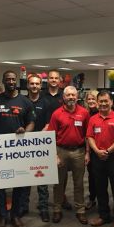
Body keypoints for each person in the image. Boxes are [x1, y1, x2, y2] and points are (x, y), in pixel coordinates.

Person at [0, 70, 35, 227]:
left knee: (19, 184)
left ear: (16, 82)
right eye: (8, 79)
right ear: (4, 81)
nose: (11, 81)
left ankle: (15, 215)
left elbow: (31, 122)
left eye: (13, 79)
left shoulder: (25, 101)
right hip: (0, 151)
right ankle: (2, 216)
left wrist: (25, 131)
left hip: (19, 151)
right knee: (0, 184)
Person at [48, 86, 90, 225]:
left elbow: (88, 135)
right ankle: (57, 209)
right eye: (68, 95)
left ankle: (80, 210)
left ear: (77, 96)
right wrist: (54, 155)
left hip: (79, 151)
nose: (71, 97)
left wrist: (87, 152)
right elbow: (51, 136)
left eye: (73, 95)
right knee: (59, 183)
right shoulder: (56, 114)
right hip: (61, 151)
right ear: (64, 97)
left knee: (79, 183)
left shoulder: (84, 113)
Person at [87, 90, 114, 227]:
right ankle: (104, 215)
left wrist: (108, 151)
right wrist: (97, 151)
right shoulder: (93, 119)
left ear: (111, 102)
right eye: (101, 101)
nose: (103, 103)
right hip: (98, 157)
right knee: (100, 188)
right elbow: (89, 137)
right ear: (97, 103)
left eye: (106, 101)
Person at [21, 73, 50, 222]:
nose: (34, 86)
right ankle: (23, 206)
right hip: (24, 146)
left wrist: (37, 138)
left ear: (40, 85)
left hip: (40, 146)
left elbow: (48, 124)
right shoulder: (21, 101)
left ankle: (43, 207)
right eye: (31, 84)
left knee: (41, 178)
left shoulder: (45, 103)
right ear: (27, 85)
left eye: (37, 84)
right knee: (24, 177)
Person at [42, 69, 72, 210]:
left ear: (59, 80)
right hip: (42, 137)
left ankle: (61, 197)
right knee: (41, 170)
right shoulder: (42, 95)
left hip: (60, 138)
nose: (53, 80)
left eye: (56, 78)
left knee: (61, 171)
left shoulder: (65, 96)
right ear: (47, 80)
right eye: (51, 78)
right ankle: (43, 200)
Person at [84, 90, 98, 210]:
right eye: (89, 99)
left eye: (94, 98)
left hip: (104, 149)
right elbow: (87, 135)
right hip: (90, 150)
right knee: (92, 176)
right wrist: (88, 152)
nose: (91, 101)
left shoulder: (104, 112)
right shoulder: (85, 114)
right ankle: (92, 198)